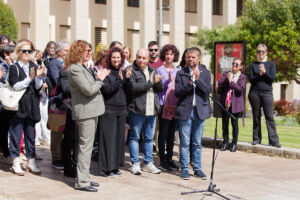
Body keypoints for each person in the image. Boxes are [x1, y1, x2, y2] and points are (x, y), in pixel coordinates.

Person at [68, 40, 110, 192]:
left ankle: (85, 177)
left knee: (88, 147)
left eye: (90, 51)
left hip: (92, 111)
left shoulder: (82, 67)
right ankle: (82, 181)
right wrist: (100, 79)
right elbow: (88, 90)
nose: (90, 53)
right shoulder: (75, 69)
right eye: (87, 51)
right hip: (85, 112)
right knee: (85, 148)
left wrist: (97, 77)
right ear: (78, 52)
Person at [8, 40, 46, 176]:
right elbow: (15, 85)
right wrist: (29, 79)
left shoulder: (33, 65)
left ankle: (31, 161)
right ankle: (15, 162)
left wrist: (38, 77)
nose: (26, 53)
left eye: (29, 51)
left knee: (30, 135)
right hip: (18, 106)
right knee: (16, 135)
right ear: (18, 52)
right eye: (23, 51)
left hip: (31, 104)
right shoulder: (14, 67)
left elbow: (37, 87)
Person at [174, 47, 211, 180]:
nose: (190, 59)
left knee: (197, 143)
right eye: (188, 57)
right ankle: (184, 169)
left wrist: (198, 79)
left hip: (200, 112)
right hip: (185, 111)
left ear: (199, 59)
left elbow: (208, 91)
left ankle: (197, 169)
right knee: (184, 143)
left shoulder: (206, 73)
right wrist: (190, 83)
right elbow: (177, 92)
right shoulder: (181, 73)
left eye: (193, 57)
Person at [127, 48, 163, 175]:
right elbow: (134, 89)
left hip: (151, 110)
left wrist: (157, 82)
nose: (141, 60)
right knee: (135, 137)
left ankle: (148, 163)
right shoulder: (131, 70)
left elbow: (159, 88)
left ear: (148, 59)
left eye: (144, 58)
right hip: (137, 110)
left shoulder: (153, 70)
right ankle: (135, 163)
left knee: (149, 138)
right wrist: (151, 82)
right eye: (139, 57)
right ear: (135, 57)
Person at [98, 47, 129, 177]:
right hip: (108, 110)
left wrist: (126, 80)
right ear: (109, 59)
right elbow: (108, 90)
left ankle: (115, 167)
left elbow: (127, 90)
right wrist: (120, 80)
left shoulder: (123, 71)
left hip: (121, 110)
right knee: (108, 141)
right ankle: (107, 168)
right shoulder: (106, 72)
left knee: (118, 140)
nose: (116, 60)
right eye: (113, 57)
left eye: (118, 57)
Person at [248, 44, 281, 148]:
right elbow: (251, 79)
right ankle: (256, 139)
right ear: (257, 52)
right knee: (256, 117)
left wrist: (265, 72)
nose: (260, 53)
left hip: (267, 93)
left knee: (269, 117)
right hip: (254, 93)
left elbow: (272, 78)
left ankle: (274, 141)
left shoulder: (271, 64)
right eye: (259, 51)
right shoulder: (253, 64)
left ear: (266, 52)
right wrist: (260, 74)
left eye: (263, 51)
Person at [156, 44, 180, 171]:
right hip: (163, 104)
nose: (169, 56)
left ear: (174, 56)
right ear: (163, 56)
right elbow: (158, 88)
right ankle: (162, 160)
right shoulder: (159, 70)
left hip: (175, 105)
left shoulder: (178, 71)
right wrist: (167, 81)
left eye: (171, 54)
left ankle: (170, 158)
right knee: (163, 133)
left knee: (172, 133)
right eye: (167, 54)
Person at [48, 40, 70, 170]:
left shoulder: (69, 64)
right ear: (59, 52)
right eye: (66, 51)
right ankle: (56, 158)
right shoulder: (54, 64)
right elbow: (59, 81)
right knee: (56, 131)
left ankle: (64, 155)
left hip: (67, 102)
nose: (68, 53)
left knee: (66, 131)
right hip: (57, 102)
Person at [218, 58, 246, 152]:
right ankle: (225, 143)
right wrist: (227, 80)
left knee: (234, 124)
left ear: (241, 67)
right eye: (233, 63)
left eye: (237, 64)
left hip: (235, 104)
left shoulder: (242, 77)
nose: (234, 65)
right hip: (225, 103)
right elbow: (220, 85)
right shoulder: (226, 74)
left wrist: (231, 82)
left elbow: (240, 90)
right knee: (225, 124)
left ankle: (234, 144)